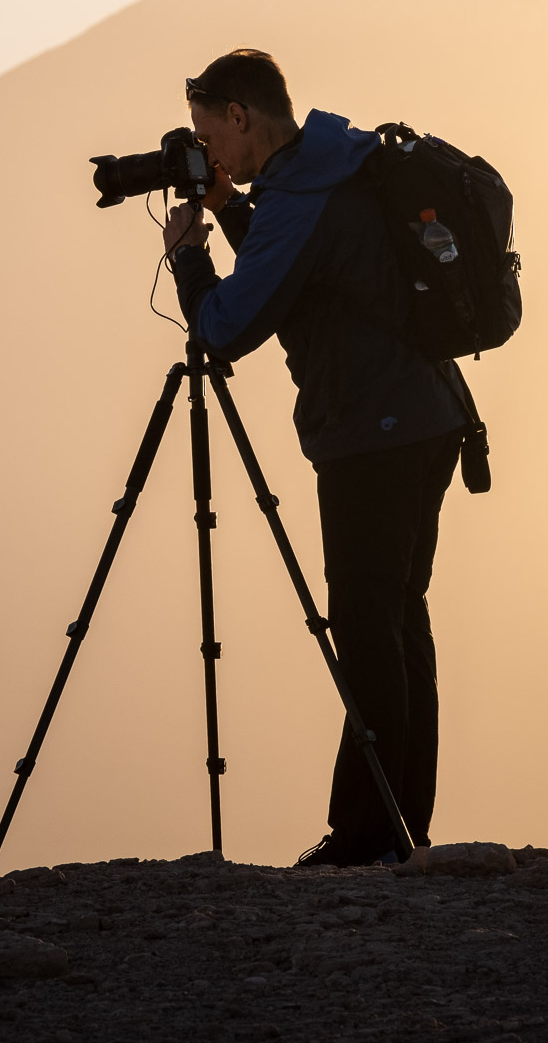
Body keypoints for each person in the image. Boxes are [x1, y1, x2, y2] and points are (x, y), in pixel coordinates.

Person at [161, 48, 469, 870]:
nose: (207, 154)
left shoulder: (301, 196)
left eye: (207, 134)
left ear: (239, 115)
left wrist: (189, 253)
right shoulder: (334, 162)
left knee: (369, 628)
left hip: (376, 431)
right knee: (399, 619)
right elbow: (309, 272)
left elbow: (227, 326)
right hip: (428, 417)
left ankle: (368, 840)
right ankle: (403, 829)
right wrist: (230, 213)